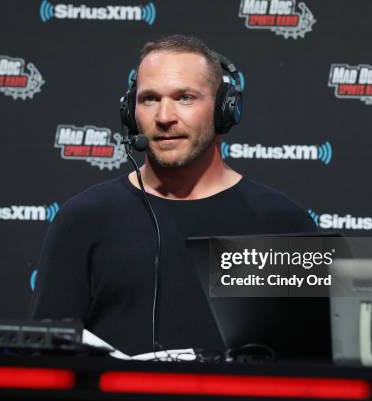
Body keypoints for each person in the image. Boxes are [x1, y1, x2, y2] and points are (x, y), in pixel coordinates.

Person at [30, 35, 320, 356]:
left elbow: (311, 365)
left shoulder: (282, 223)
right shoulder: (84, 219)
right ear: (130, 112)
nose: (165, 116)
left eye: (185, 98)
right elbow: (49, 357)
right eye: (150, 99)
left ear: (225, 109)